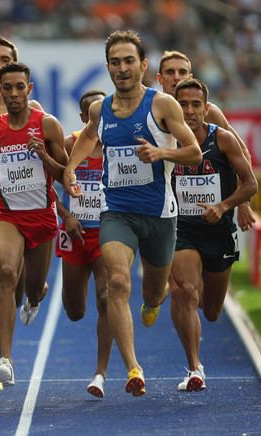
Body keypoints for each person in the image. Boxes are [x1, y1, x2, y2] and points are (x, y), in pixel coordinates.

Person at [62, 30, 202, 397]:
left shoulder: (162, 106)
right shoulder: (100, 108)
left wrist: (161, 154)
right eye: (114, 62)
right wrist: (71, 167)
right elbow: (90, 136)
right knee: (117, 284)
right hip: (117, 212)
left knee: (155, 292)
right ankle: (133, 368)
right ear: (107, 67)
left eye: (128, 61)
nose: (121, 69)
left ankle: (152, 303)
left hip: (159, 215)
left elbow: (194, 153)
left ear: (142, 65)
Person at [0, 62, 68, 386]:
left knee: (32, 287)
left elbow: (64, 174)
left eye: (20, 87)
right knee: (7, 273)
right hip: (6, 213)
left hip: (41, 216)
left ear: (29, 89)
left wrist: (44, 156)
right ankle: (6, 358)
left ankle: (35, 295)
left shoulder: (48, 125)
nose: (13, 93)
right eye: (7, 87)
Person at [169, 78, 257, 391]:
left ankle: (199, 307)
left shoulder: (222, 140)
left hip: (218, 231)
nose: (189, 110)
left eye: (195, 105)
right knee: (186, 291)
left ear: (206, 108)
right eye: (183, 104)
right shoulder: (166, 140)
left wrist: (226, 205)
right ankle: (195, 367)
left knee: (212, 310)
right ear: (174, 107)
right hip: (181, 228)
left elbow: (250, 183)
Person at [156, 50, 256, 232]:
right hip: (169, 214)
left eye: (182, 72)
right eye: (170, 72)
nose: (177, 78)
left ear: (190, 76)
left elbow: (243, 152)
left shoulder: (211, 113)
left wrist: (243, 204)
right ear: (159, 79)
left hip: (212, 217)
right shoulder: (152, 112)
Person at [56, 89, 112, 398]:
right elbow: (44, 186)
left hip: (108, 233)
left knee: (106, 298)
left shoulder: (119, 146)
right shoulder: (68, 144)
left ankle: (100, 373)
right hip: (74, 233)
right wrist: (66, 215)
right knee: (75, 310)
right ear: (83, 118)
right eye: (92, 114)